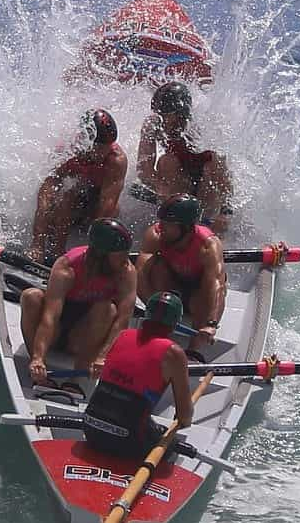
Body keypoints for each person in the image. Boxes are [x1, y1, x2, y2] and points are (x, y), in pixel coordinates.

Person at [20, 219, 138, 387]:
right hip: (54, 332)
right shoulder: (67, 268)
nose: (126, 260)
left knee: (107, 308)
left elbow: (123, 320)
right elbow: (50, 318)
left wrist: (103, 357)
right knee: (30, 296)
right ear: (101, 254)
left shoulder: (126, 272)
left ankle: (76, 379)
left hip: (82, 339)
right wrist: (38, 357)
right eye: (120, 255)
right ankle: (38, 368)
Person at [80, 291, 196, 460]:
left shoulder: (122, 335)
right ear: (176, 323)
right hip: (130, 442)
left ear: (146, 314)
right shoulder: (174, 353)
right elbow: (184, 417)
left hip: (90, 429)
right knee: (169, 443)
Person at [29, 108, 126, 264]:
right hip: (68, 208)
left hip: (92, 209)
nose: (105, 151)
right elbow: (46, 196)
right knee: (67, 197)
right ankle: (56, 250)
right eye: (100, 147)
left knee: (114, 210)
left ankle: (83, 253)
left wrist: (92, 249)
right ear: (85, 140)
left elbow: (107, 203)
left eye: (108, 146)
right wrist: (37, 242)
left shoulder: (116, 160)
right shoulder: (67, 152)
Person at [136, 82, 233, 235]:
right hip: (179, 180)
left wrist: (225, 213)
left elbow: (224, 176)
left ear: (182, 114)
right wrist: (159, 187)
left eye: (166, 116)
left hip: (205, 182)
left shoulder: (200, 129)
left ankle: (206, 224)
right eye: (159, 114)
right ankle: (174, 219)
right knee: (167, 161)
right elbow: (144, 171)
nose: (163, 121)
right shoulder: (153, 124)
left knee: (211, 166)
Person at [138, 195, 227, 357]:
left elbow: (217, 285)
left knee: (205, 293)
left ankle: (194, 350)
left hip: (197, 293)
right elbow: (140, 274)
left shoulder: (208, 246)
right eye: (161, 221)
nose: (161, 227)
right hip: (171, 287)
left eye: (167, 224)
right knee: (157, 268)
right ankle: (158, 330)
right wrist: (152, 304)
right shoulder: (155, 235)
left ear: (186, 228)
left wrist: (211, 324)